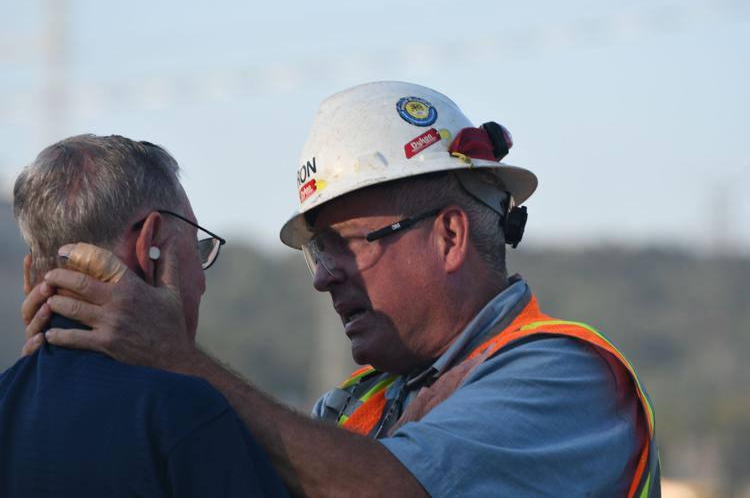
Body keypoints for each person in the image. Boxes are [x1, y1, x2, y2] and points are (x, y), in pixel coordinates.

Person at [22, 83, 661, 497]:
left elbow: (395, 493)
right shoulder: (357, 407)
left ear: (449, 236)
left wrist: (173, 359)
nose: (325, 276)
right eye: (316, 252)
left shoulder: (565, 377)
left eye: (348, 243)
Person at [2, 135, 287, 497]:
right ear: (150, 247)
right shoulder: (184, 413)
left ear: (32, 272)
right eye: (197, 249)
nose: (201, 283)